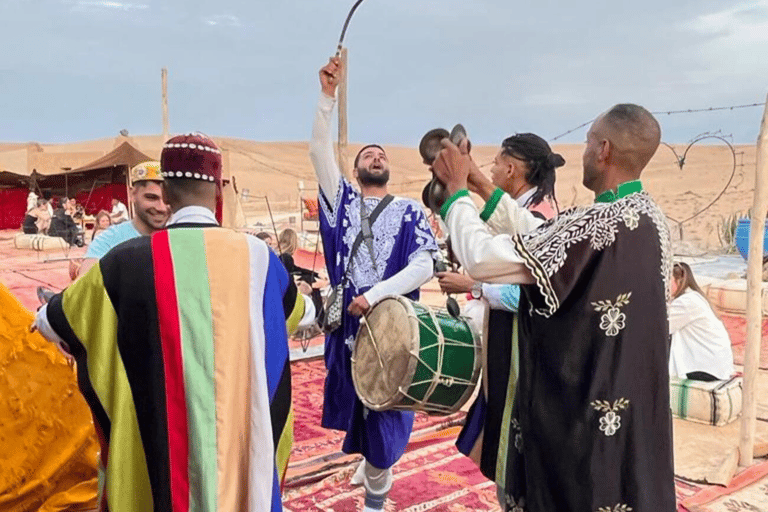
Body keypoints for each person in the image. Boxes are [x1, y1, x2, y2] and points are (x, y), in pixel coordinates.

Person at [33, 133, 315, 511]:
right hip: (237, 457)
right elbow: (303, 315)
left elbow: (51, 322)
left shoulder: (122, 263)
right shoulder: (259, 259)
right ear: (217, 189)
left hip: (153, 461)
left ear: (165, 191)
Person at [432, 104, 675, 511]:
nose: (582, 153)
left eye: (586, 143)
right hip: (633, 424)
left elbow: (482, 260)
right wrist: (478, 182)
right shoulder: (651, 221)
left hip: (583, 422)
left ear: (603, 150)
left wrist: (457, 194)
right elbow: (546, 236)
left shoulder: (596, 224)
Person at [310, 56, 439, 512]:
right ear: (357, 171)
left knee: (386, 425)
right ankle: (371, 466)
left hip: (392, 330)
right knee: (358, 412)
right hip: (347, 330)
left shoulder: (408, 211)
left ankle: (374, 503)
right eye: (367, 155)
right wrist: (328, 97)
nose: (376, 156)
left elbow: (424, 266)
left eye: (381, 154)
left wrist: (375, 295)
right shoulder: (340, 202)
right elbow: (320, 153)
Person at [436, 133, 563, 498]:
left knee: (518, 450)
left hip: (524, 351)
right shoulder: (527, 209)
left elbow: (520, 293)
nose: (491, 170)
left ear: (511, 168)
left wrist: (472, 285)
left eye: (495, 164)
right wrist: (471, 178)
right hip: (514, 345)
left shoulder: (540, 216)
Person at [77, 161, 170, 277]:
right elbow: (86, 285)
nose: (161, 208)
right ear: (132, 194)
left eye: (168, 198)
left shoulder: (182, 237)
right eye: (151, 198)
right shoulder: (108, 241)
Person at [669, 261, 734, 381]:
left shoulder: (686, 302)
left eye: (668, 281)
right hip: (715, 365)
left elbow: (661, 328)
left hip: (707, 368)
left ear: (679, 280)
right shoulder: (694, 297)